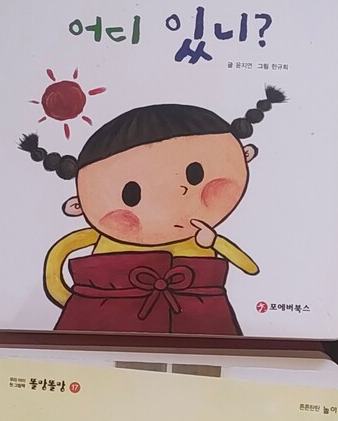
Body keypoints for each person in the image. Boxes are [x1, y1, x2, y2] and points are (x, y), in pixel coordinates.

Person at [20, 87, 285, 335]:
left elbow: (249, 267)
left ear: (245, 155)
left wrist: (213, 241)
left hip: (199, 312)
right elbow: (57, 258)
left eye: (194, 175)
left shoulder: (202, 237)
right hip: (109, 313)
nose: (169, 199)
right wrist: (82, 301)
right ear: (77, 205)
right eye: (131, 194)